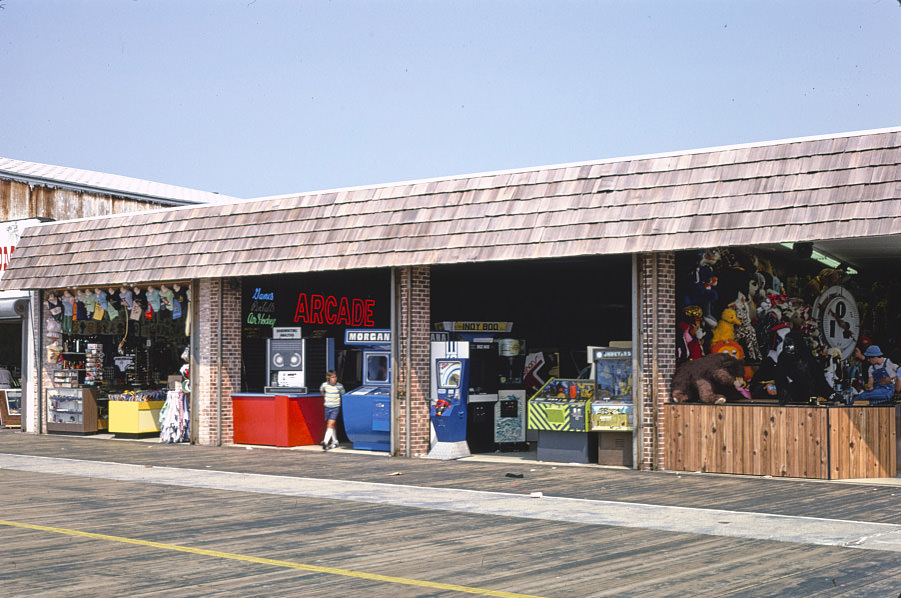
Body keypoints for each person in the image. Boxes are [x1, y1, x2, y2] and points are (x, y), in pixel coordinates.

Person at [319, 370, 345, 450]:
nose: (335, 379)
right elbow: (321, 391)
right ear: (328, 378)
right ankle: (335, 441)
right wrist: (326, 397)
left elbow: (343, 394)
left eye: (335, 377)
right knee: (331, 425)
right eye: (333, 377)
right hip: (327, 407)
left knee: (330, 424)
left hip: (335, 407)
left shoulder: (339, 386)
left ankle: (325, 441)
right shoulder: (324, 385)